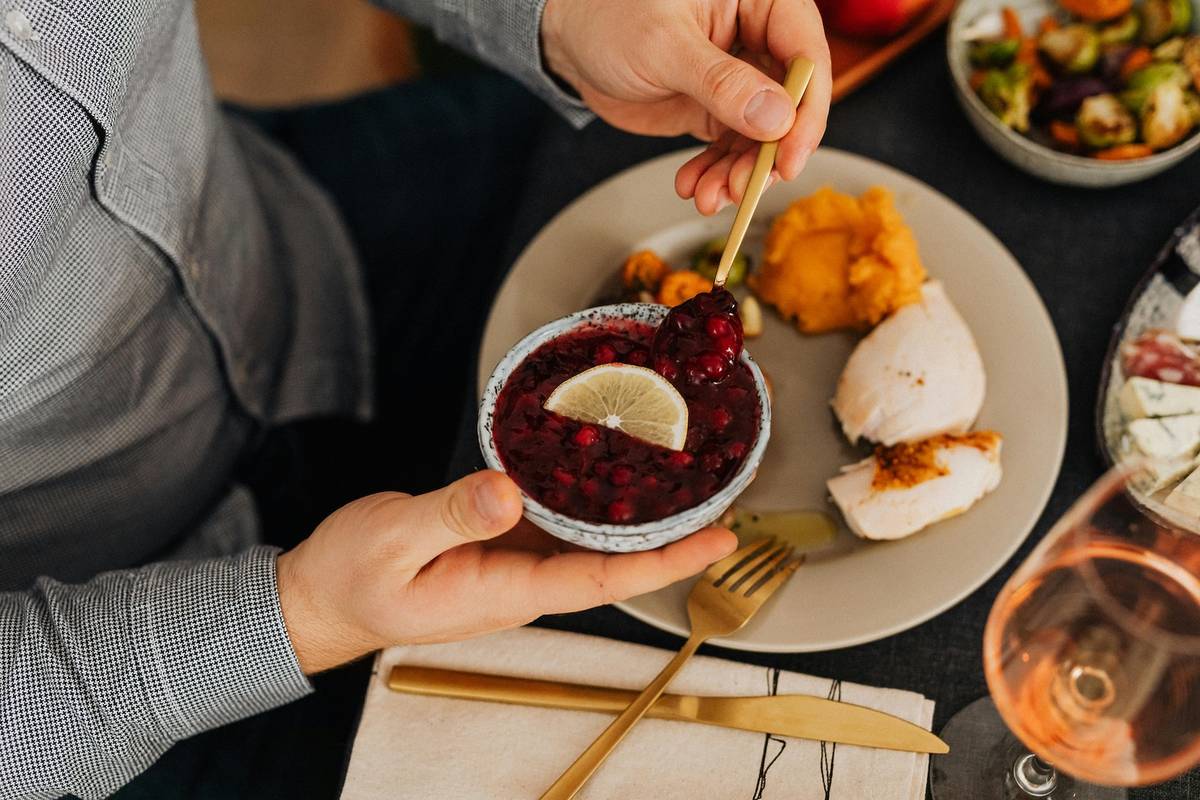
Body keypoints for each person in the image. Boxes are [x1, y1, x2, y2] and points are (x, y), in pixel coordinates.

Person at [0, 0, 830, 796]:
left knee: (607, 146)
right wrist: (299, 622)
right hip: (106, 632)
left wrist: (561, 15)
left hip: (284, 226)